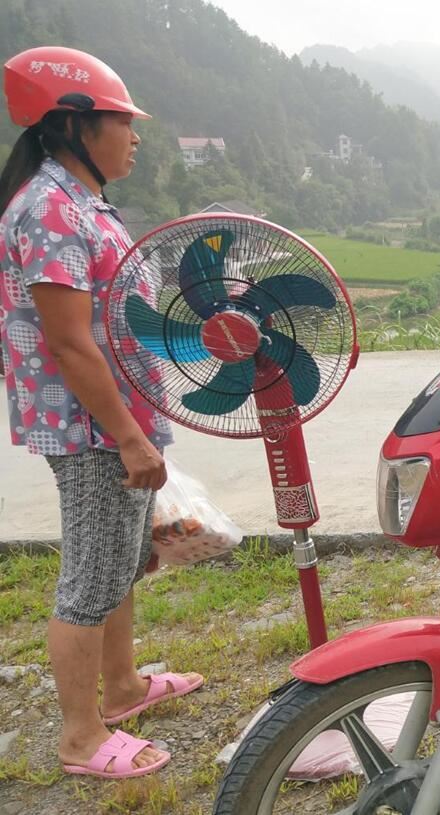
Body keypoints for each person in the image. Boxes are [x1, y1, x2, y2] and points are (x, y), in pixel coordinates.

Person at [1, 46, 202, 779]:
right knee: (91, 576)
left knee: (120, 558)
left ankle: (121, 688)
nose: (135, 136)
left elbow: (116, 316)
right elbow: (68, 341)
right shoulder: (50, 209)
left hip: (118, 420)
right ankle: (80, 738)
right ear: (75, 125)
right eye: (123, 121)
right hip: (92, 426)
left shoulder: (84, 202)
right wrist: (126, 436)